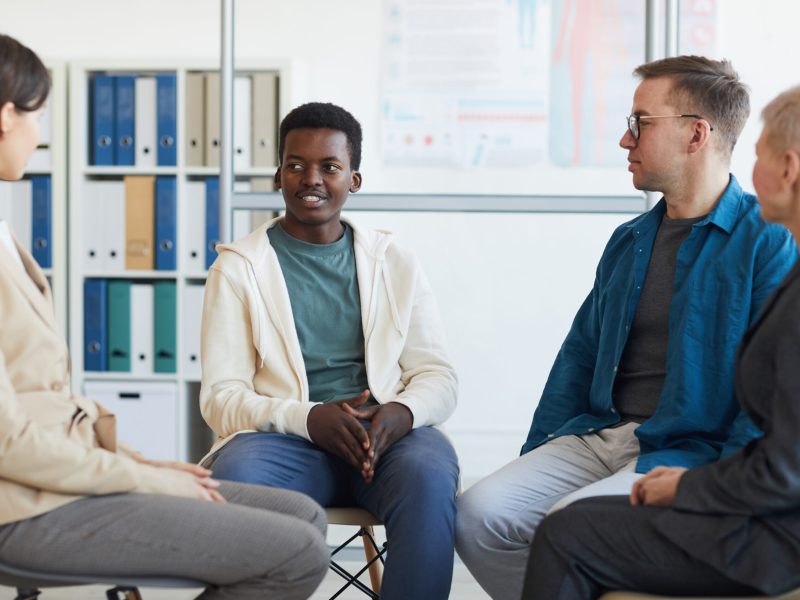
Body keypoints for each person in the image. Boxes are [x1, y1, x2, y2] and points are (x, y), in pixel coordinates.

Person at [455, 55, 799, 600]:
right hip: (602, 431)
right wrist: (539, 451)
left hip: (688, 446)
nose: (624, 139)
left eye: (640, 122)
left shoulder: (768, 240)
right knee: (479, 514)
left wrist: (718, 490)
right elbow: (579, 357)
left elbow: (764, 402)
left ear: (696, 134)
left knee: (567, 527)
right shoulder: (629, 239)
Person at [0, 33, 329, 600]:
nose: (40, 134)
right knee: (297, 552)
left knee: (303, 516)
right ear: (7, 116)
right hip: (22, 504)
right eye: (40, 116)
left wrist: (148, 464)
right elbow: (9, 444)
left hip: (57, 476)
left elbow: (47, 407)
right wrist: (144, 477)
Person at [199, 102, 460, 600]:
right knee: (237, 477)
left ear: (354, 180)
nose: (310, 179)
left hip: (384, 442)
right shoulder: (238, 268)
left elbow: (438, 376)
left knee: (430, 475)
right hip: (284, 440)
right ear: (278, 174)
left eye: (330, 167)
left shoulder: (395, 261)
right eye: (296, 165)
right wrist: (308, 417)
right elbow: (220, 398)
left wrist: (401, 414)